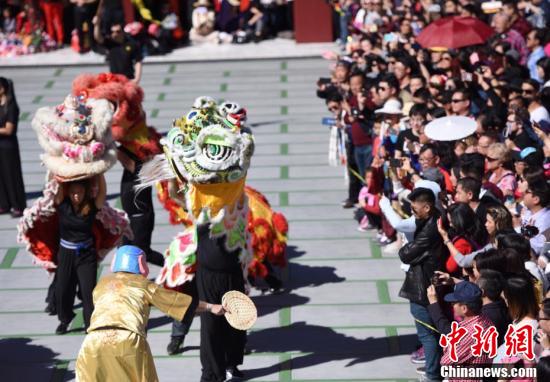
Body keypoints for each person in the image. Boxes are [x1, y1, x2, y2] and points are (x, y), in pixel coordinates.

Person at [76, 245, 225, 381]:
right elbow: (178, 302)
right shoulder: (144, 285)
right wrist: (210, 307)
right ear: (140, 263)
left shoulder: (101, 285)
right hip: (127, 339)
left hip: (92, 341)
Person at [398, 187, 445, 382]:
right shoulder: (434, 218)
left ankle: (433, 374)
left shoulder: (429, 230)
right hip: (428, 282)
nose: (412, 211)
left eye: (414, 208)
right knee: (432, 332)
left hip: (423, 287)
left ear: (427, 207)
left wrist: (409, 248)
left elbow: (405, 254)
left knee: (427, 334)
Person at [54, 175, 106, 335]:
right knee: (62, 289)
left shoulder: (91, 205)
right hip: (66, 253)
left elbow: (102, 192)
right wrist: (58, 171)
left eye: (80, 192)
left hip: (86, 254)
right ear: (68, 193)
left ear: (85, 192)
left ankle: (89, 323)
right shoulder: (63, 204)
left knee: (88, 291)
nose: (76, 196)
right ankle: (65, 318)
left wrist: (99, 173)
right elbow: (56, 185)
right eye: (73, 192)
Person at [426, 281, 494, 367]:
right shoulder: (485, 320)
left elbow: (446, 362)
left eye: (454, 303)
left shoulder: (468, 333)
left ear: (464, 308)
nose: (451, 305)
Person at [93, 2, 143, 83]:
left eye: (117, 31)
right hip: (114, 80)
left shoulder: (132, 44)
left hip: (128, 78)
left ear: (122, 31)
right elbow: (97, 37)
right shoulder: (110, 43)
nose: (115, 34)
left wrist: (137, 79)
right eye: (113, 32)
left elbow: (138, 61)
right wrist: (97, 25)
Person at [0, 77, 26, 218]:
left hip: (8, 146)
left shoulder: (11, 106)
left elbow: (9, 130)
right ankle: (4, 204)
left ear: (3, 89)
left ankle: (17, 205)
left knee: (11, 176)